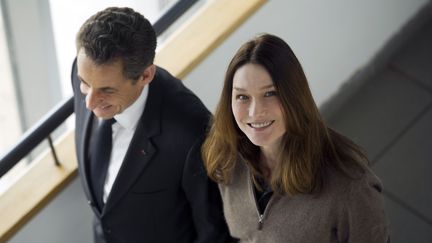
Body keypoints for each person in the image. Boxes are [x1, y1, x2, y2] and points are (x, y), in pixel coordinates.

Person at [202, 33, 390, 242]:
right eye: (243, 97)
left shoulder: (350, 186)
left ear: (295, 96)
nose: (255, 112)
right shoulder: (227, 158)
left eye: (270, 93)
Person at [71, 7, 231, 243]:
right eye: (85, 84)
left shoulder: (192, 132)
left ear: (146, 76)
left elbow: (213, 234)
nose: (90, 102)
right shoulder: (86, 71)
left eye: (107, 90)